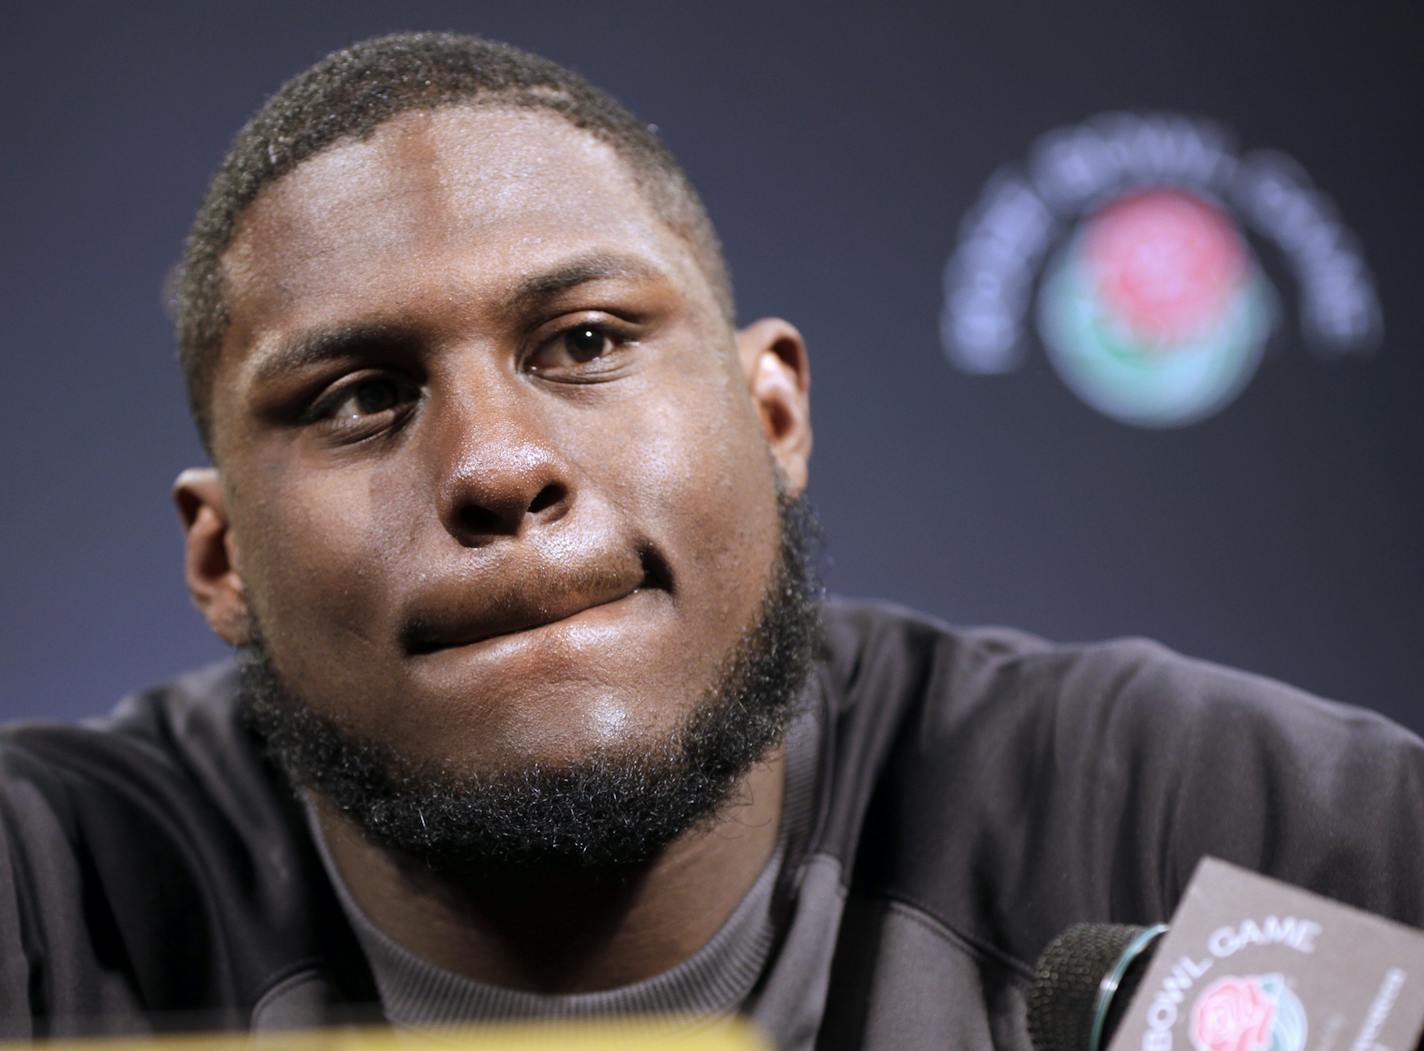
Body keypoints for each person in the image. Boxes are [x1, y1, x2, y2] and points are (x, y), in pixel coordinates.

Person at [2, 31, 1422, 1050]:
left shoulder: (1196, 827)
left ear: (775, 412)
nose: (498, 465)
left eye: (586, 342)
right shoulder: (50, 893)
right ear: (221, 560)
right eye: (363, 399)